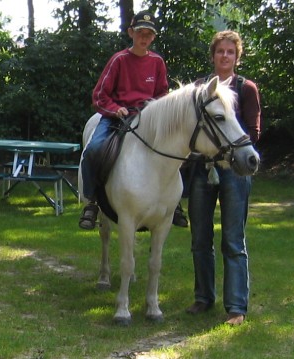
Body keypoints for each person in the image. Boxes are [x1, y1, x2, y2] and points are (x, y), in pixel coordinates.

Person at [184, 30, 261, 326]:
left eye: (230, 52)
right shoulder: (200, 88)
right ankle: (203, 298)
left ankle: (236, 307)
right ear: (213, 55)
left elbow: (253, 132)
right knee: (200, 237)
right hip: (202, 168)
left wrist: (225, 150)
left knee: (233, 239)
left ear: (237, 57)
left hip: (235, 171)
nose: (225, 56)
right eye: (220, 51)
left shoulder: (246, 88)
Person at [78, 11, 182, 229]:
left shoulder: (157, 62)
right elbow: (99, 96)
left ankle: (174, 203)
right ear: (131, 32)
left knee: (177, 149)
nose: (144, 37)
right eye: (140, 32)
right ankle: (92, 201)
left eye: (149, 34)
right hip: (117, 117)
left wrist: (154, 110)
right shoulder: (119, 60)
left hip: (148, 119)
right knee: (93, 149)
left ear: (154, 37)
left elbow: (162, 94)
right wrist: (115, 109)